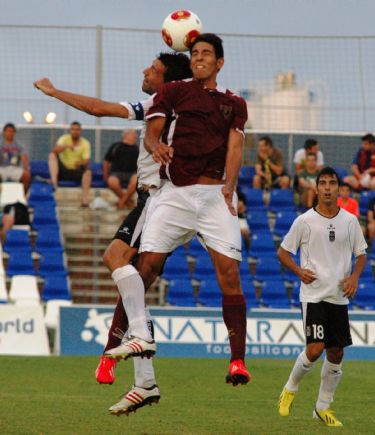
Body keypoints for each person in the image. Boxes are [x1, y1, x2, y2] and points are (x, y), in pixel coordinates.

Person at [34, 51, 193, 415]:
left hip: (162, 200)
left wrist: (56, 93)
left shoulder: (161, 104)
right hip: (153, 200)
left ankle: (127, 346)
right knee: (134, 286)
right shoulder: (170, 105)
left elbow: (99, 109)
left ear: (166, 80)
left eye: (153, 69)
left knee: (115, 260)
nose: (145, 71)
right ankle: (145, 382)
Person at [104, 33, 252, 387]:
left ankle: (237, 362)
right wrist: (156, 148)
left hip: (215, 194)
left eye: (207, 54)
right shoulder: (173, 92)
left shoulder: (235, 103)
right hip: (176, 193)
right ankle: (113, 350)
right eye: (195, 52)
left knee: (229, 275)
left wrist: (230, 187)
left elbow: (235, 148)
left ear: (220, 62)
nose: (199, 58)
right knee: (145, 268)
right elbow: (151, 135)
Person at [276, 166, 367, 427]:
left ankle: (322, 408)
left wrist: (354, 278)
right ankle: (290, 389)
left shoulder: (350, 221)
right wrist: (298, 271)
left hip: (338, 296)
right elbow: (282, 253)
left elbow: (361, 254)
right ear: (316, 189)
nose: (327, 187)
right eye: (323, 183)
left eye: (332, 183)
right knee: (315, 350)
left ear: (339, 188)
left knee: (336, 353)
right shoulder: (304, 221)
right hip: (313, 296)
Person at [48, 121, 92, 207]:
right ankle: (54, 184)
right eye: (73, 129)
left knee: (88, 172)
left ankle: (85, 201)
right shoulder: (64, 139)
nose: (75, 131)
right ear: (70, 130)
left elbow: (86, 160)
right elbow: (54, 151)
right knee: (52, 156)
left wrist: (80, 163)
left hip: (76, 170)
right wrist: (66, 146)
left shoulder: (85, 143)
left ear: (80, 131)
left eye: (77, 130)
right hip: (63, 170)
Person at [103, 129, 139, 209]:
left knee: (136, 180)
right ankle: (129, 202)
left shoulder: (137, 149)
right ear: (126, 136)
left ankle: (122, 202)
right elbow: (106, 161)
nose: (135, 137)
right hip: (116, 173)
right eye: (133, 135)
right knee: (112, 182)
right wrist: (105, 175)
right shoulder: (115, 146)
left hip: (132, 173)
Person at [0, 123, 31, 191]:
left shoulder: (20, 146)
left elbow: (24, 158)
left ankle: (24, 195)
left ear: (14, 133)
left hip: (15, 168)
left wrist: (26, 168)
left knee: (26, 175)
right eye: (8, 131)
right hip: (2, 168)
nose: (10, 133)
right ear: (4, 132)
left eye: (12, 131)